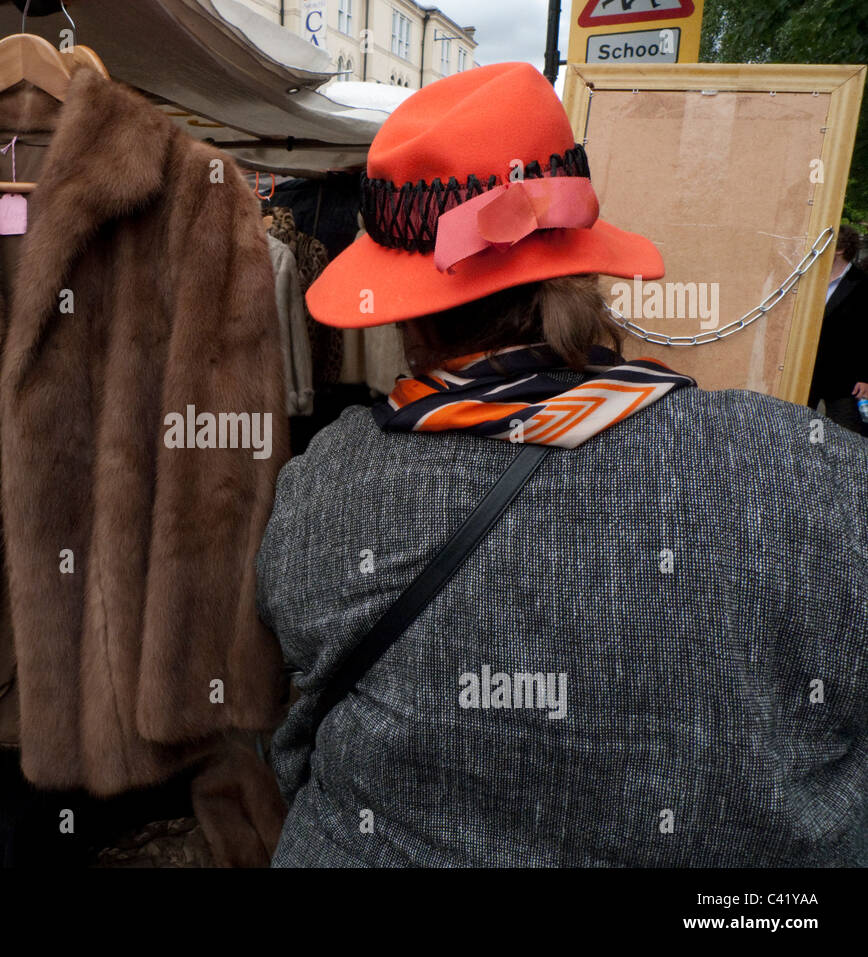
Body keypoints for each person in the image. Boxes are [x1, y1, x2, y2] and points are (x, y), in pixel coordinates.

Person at [256, 62, 868, 867]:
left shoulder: (323, 486)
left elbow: (292, 689)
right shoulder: (814, 473)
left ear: (407, 311)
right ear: (583, 265)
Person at [808, 225, 868, 436]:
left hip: (845, 378)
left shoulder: (861, 283)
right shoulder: (810, 279)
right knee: (802, 431)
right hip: (807, 372)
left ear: (839, 249)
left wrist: (865, 377)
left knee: (845, 436)